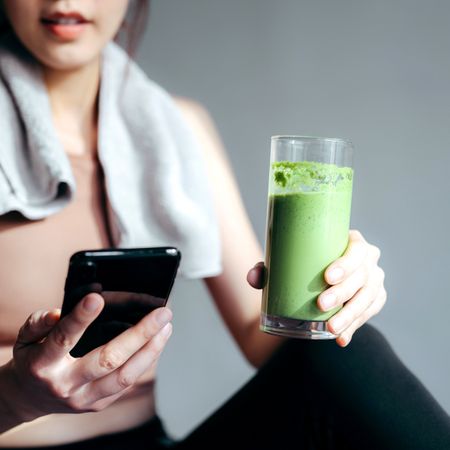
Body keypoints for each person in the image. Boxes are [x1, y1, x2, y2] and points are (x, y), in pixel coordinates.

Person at [0, 1, 448, 449]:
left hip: (150, 440)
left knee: (346, 350)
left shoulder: (175, 129)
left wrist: (338, 295)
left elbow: (264, 332)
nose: (65, 2)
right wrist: (17, 397)